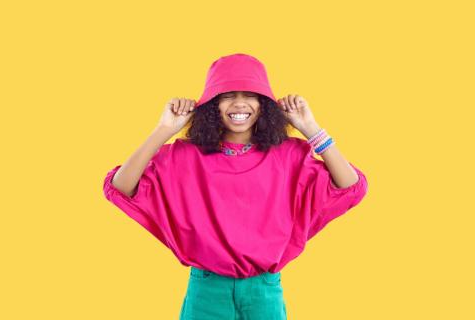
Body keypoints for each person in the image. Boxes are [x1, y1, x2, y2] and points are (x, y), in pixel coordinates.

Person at [102, 53, 369, 319]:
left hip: (263, 291)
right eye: (227, 95)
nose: (239, 103)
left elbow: (351, 187)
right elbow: (119, 188)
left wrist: (310, 128)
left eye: (250, 95)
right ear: (212, 105)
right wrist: (163, 129)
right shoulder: (184, 156)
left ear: (264, 104)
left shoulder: (288, 155)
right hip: (206, 291)